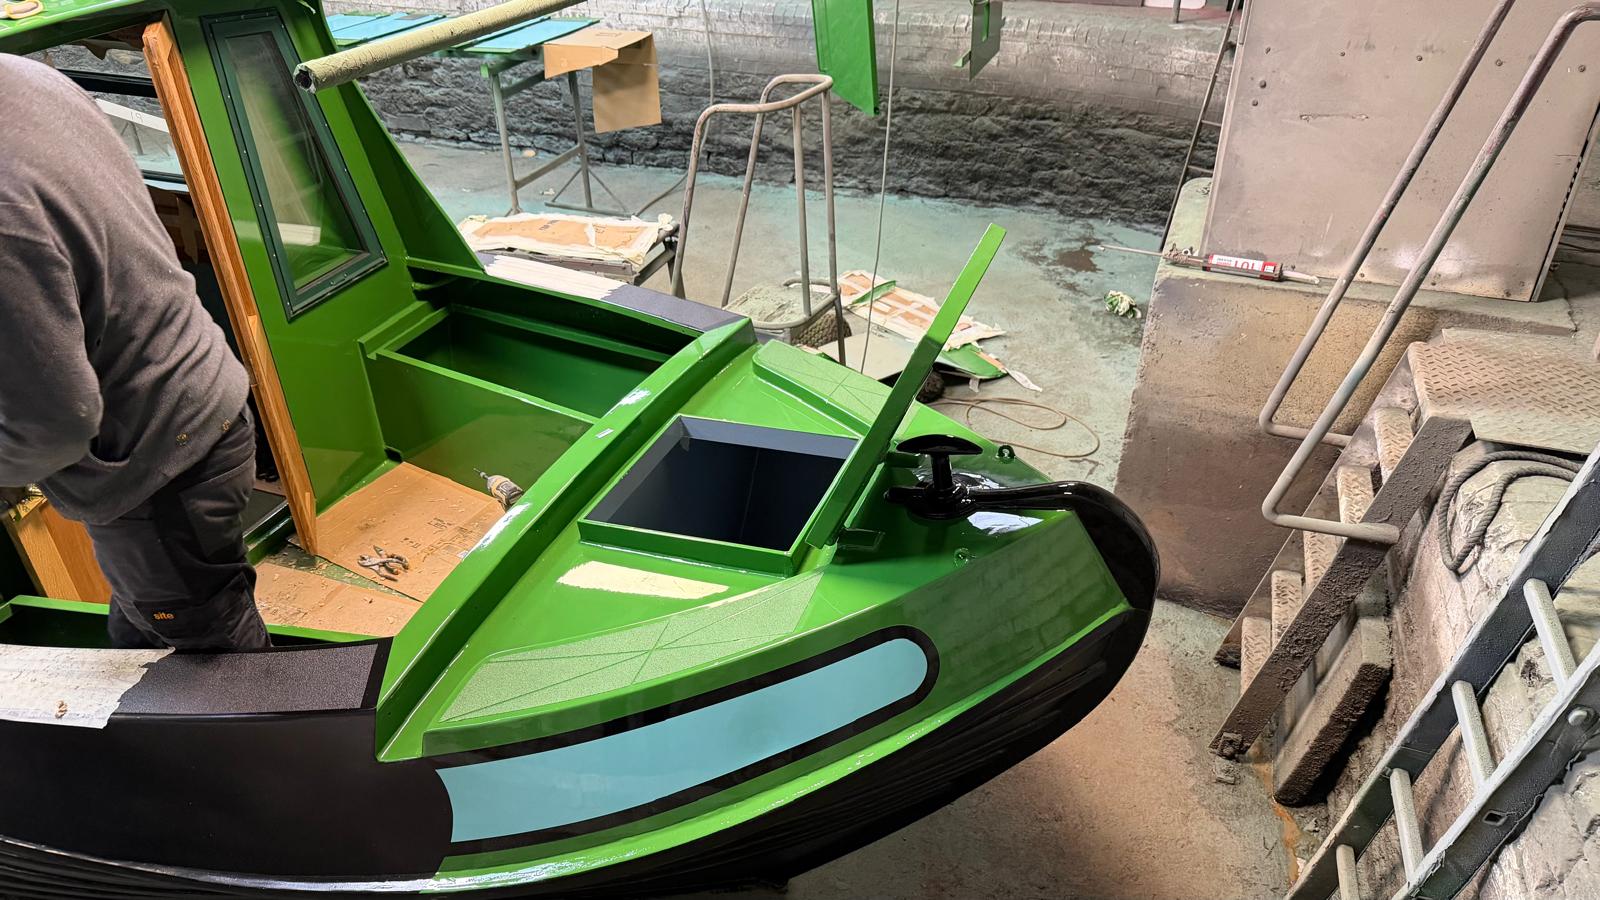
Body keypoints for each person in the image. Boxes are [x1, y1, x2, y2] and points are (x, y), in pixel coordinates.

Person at [0, 54, 269, 651]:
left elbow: (53, 427)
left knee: (210, 650)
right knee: (151, 620)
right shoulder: (25, 76)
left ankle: (259, 714)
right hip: (199, 391)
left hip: (158, 461)